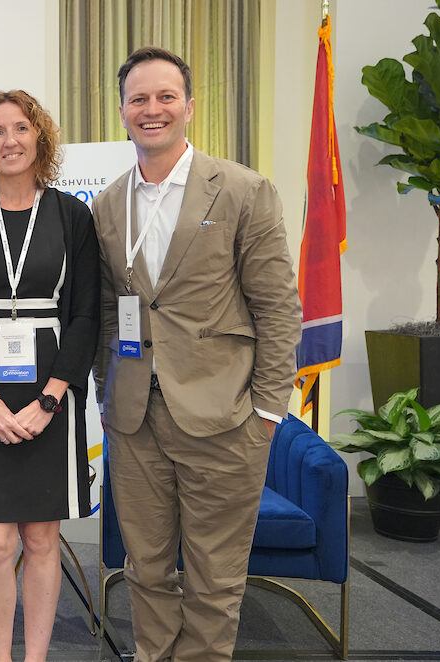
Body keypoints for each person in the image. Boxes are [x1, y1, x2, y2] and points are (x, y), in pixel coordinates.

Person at [92, 47, 301, 662]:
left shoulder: (241, 190)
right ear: (123, 109)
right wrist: (110, 389)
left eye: (165, 97)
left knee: (214, 580)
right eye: (138, 99)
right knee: (146, 570)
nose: (151, 110)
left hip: (225, 416)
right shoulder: (107, 205)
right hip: (133, 421)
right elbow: (112, 311)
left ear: (188, 105)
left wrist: (267, 410)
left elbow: (278, 308)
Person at [0, 90, 99, 662]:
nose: (10, 141)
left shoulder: (72, 214)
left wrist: (51, 400)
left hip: (51, 393)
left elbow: (86, 315)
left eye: (21, 128)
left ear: (40, 138)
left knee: (40, 537)